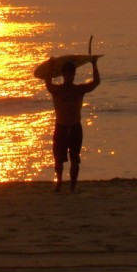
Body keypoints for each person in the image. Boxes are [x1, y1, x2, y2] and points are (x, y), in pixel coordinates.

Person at [44, 58, 100, 192]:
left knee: (75, 159)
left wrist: (94, 64)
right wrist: (51, 66)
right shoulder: (57, 90)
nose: (69, 77)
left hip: (75, 127)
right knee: (58, 160)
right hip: (61, 127)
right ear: (63, 75)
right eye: (67, 74)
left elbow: (96, 82)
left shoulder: (79, 90)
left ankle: (72, 186)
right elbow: (48, 83)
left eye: (71, 74)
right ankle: (59, 183)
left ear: (74, 75)